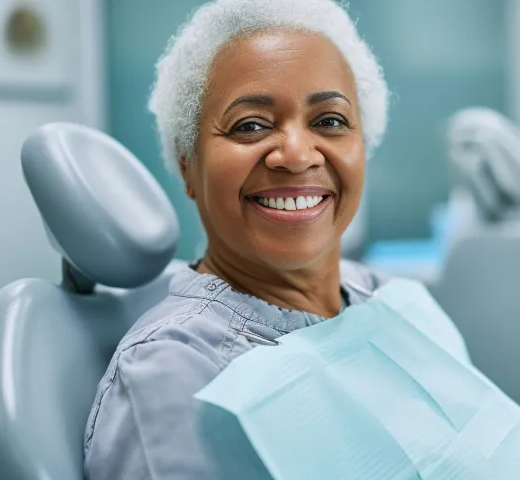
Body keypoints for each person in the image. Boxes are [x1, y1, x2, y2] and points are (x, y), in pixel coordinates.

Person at [83, 0, 390, 477]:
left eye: (329, 120)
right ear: (188, 165)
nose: (296, 155)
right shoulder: (175, 374)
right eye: (251, 125)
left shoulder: (383, 299)